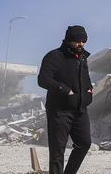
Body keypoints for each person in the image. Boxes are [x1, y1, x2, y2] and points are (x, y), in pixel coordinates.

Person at [38, 25, 93, 174]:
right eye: (77, 41)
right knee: (57, 151)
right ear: (68, 40)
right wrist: (65, 90)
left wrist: (89, 91)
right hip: (59, 111)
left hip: (80, 110)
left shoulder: (82, 57)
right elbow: (43, 79)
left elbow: (85, 79)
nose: (81, 44)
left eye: (83, 41)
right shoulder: (54, 56)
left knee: (84, 143)